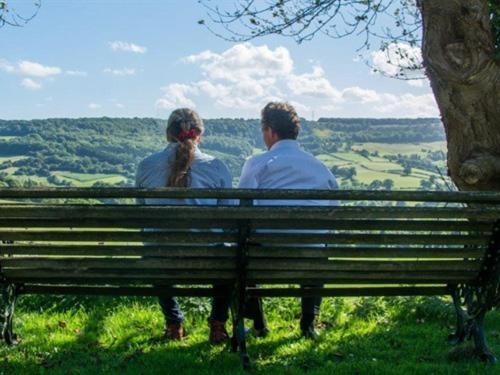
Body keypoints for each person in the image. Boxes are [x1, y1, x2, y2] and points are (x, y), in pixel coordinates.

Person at [238, 102, 339, 339]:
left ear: (271, 131)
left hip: (266, 256)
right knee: (319, 246)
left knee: (242, 250)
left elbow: (240, 211)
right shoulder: (321, 168)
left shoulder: (257, 164)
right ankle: (307, 324)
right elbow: (334, 214)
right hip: (311, 257)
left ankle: (259, 325)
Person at [135, 108, 232, 344]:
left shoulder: (146, 166)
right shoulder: (217, 166)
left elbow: (141, 212)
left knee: (153, 245)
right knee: (229, 250)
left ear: (168, 134)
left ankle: (174, 323)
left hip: (161, 256)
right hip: (209, 256)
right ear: (199, 134)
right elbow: (229, 216)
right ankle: (218, 325)